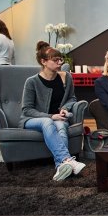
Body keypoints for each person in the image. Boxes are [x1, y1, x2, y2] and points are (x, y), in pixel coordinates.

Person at [20, 42, 87, 181]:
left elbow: (71, 98)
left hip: (59, 118)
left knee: (61, 126)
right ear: (44, 61)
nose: (59, 62)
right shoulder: (31, 82)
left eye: (60, 59)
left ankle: (61, 167)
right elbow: (27, 109)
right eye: (55, 60)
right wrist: (51, 116)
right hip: (33, 119)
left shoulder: (65, 77)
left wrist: (64, 109)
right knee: (47, 121)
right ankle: (68, 160)